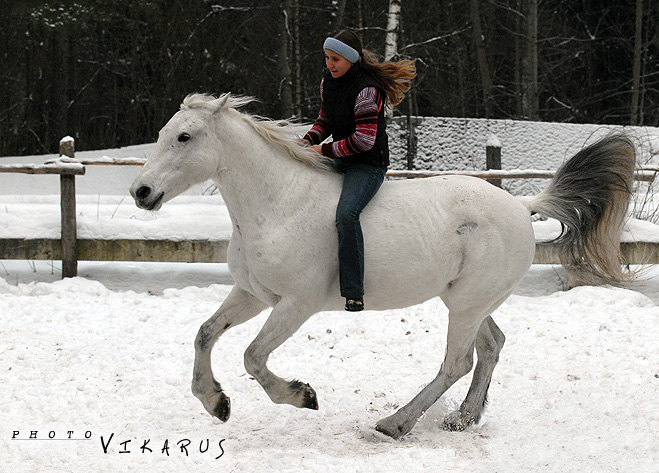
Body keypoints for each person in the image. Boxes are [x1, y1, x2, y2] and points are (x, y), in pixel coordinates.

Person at [303, 29, 416, 312]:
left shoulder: (367, 90)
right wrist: (307, 142)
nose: (330, 64)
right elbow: (324, 121)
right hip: (340, 156)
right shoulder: (327, 82)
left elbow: (364, 141)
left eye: (336, 59)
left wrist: (323, 151)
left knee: (346, 213)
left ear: (351, 60)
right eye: (327, 58)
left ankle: (353, 290)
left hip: (367, 163)